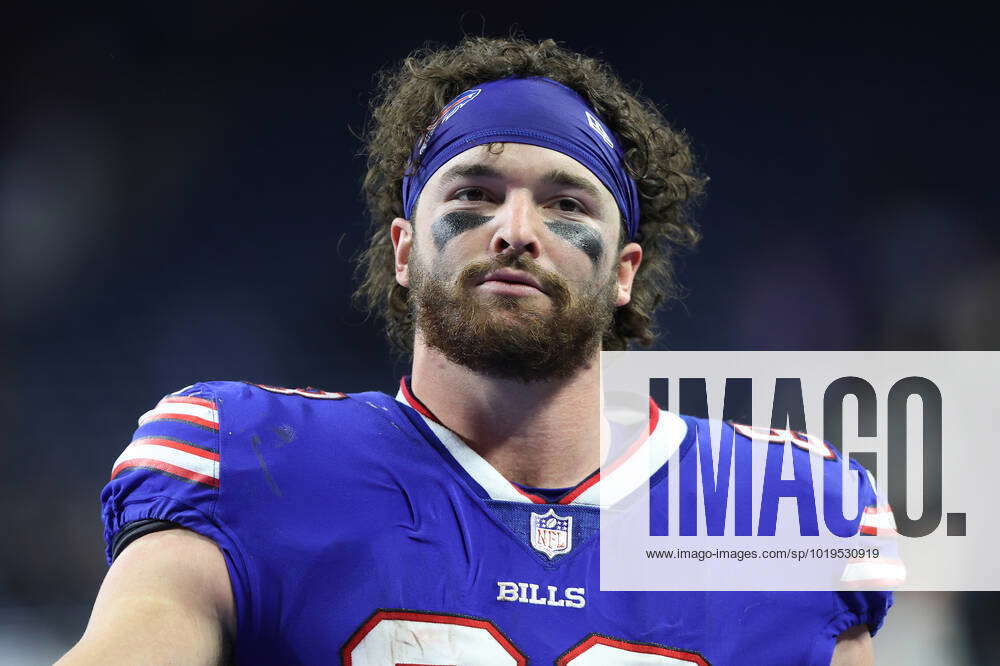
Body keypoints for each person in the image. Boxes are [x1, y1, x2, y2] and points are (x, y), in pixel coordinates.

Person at [59, 36, 890, 664]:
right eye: (474, 194)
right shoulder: (245, 462)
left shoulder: (783, 513)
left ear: (625, 271)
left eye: (567, 203)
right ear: (404, 249)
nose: (517, 232)